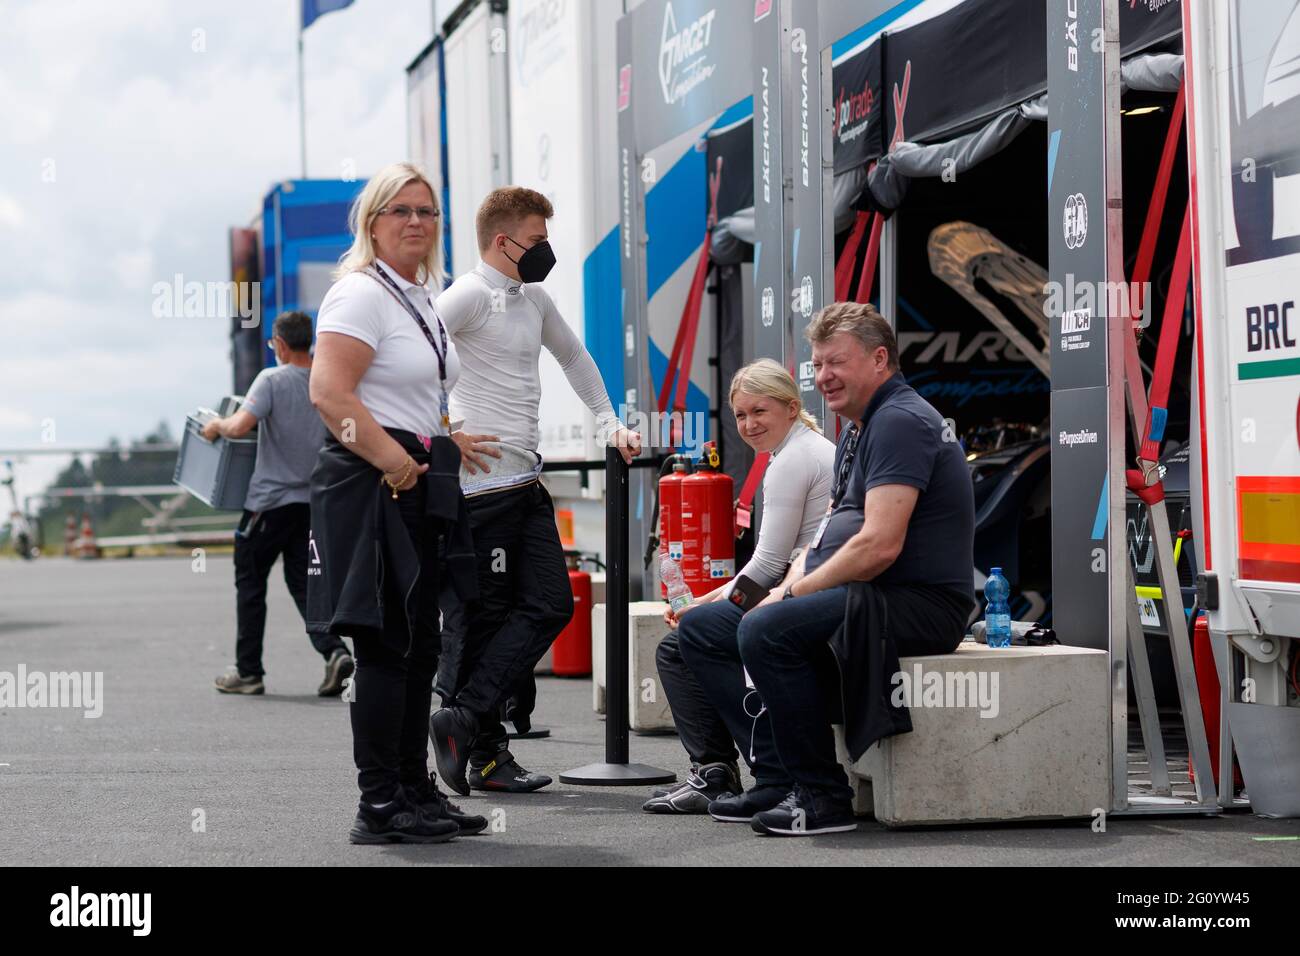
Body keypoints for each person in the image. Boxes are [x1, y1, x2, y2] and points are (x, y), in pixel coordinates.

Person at [676, 301, 975, 836]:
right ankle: (774, 778)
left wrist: (794, 595)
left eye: (835, 362)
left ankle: (822, 798)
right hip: (866, 592)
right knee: (702, 629)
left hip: (916, 603)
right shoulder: (860, 427)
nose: (823, 377)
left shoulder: (901, 422)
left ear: (880, 359)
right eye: (817, 365)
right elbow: (821, 539)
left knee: (767, 629)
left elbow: (879, 546)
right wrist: (786, 586)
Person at [430, 186, 641, 796]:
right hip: (480, 491)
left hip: (526, 482)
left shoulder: (533, 298)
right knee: (485, 619)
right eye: (539, 240)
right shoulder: (469, 294)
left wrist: (610, 424)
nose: (547, 249)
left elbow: (576, 359)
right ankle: (487, 757)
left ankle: (464, 720)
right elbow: (414, 357)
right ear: (504, 241)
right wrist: (447, 431)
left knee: (551, 603)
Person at [306, 161, 486, 845]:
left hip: (415, 476)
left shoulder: (419, 293)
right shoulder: (360, 294)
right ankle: (378, 805)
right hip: (373, 483)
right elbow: (329, 394)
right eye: (401, 211)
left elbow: (402, 393)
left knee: (419, 645)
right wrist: (395, 461)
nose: (417, 222)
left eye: (427, 211)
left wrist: (442, 439)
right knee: (386, 645)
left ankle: (415, 790)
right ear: (372, 223)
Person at [644, 359, 835, 814]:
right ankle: (715, 772)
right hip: (806, 590)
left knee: (691, 638)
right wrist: (704, 604)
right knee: (681, 642)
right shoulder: (798, 449)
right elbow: (767, 564)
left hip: (808, 598)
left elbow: (768, 566)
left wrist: (703, 609)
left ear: (791, 408)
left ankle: (766, 773)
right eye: (741, 415)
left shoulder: (794, 458)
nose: (749, 424)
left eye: (759, 412)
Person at [207, 311, 353, 697]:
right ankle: (334, 651)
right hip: (311, 506)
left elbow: (239, 426)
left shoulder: (272, 379)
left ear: (281, 345)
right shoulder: (324, 383)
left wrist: (215, 426)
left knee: (250, 582)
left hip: (268, 504)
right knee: (305, 585)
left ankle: (249, 671)